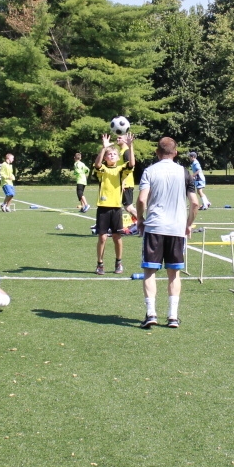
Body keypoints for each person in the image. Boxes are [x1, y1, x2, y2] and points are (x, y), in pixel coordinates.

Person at [136, 136, 200, 328]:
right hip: (176, 229)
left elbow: (141, 200)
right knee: (174, 274)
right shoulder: (184, 172)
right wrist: (188, 223)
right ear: (176, 153)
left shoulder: (149, 171)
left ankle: (151, 314)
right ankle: (172, 316)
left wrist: (140, 219)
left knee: (150, 272)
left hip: (155, 227)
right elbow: (195, 202)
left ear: (157, 152)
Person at [93, 132, 135, 275]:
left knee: (117, 237)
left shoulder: (120, 169)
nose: (111, 156)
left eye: (114, 154)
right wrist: (104, 148)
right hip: (103, 208)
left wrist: (130, 146)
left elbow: (132, 164)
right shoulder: (102, 169)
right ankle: (100, 264)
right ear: (106, 157)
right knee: (102, 237)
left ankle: (118, 262)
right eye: (109, 154)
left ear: (118, 158)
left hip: (116, 208)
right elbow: (97, 165)